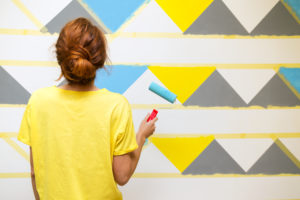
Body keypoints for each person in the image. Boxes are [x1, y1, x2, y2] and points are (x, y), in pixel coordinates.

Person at [18, 17, 157, 200]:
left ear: (61, 57)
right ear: (99, 59)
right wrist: (141, 135)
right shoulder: (116, 105)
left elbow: (35, 173)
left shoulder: (38, 102)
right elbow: (122, 176)